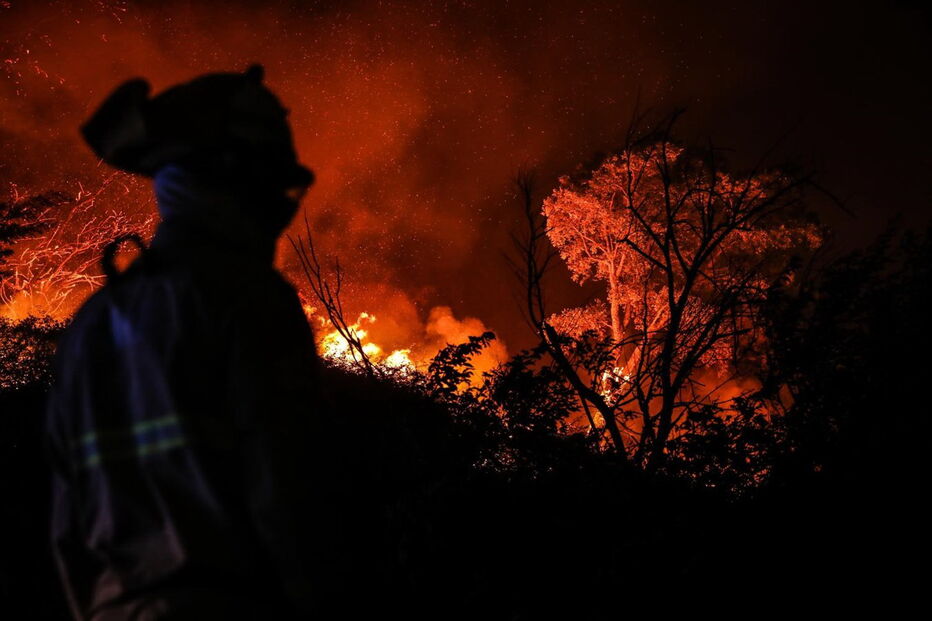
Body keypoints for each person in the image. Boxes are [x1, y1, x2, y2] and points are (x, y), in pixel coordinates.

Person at [44, 65, 333, 620]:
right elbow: (292, 496)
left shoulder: (92, 323)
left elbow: (67, 528)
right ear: (233, 181)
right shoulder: (245, 299)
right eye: (272, 185)